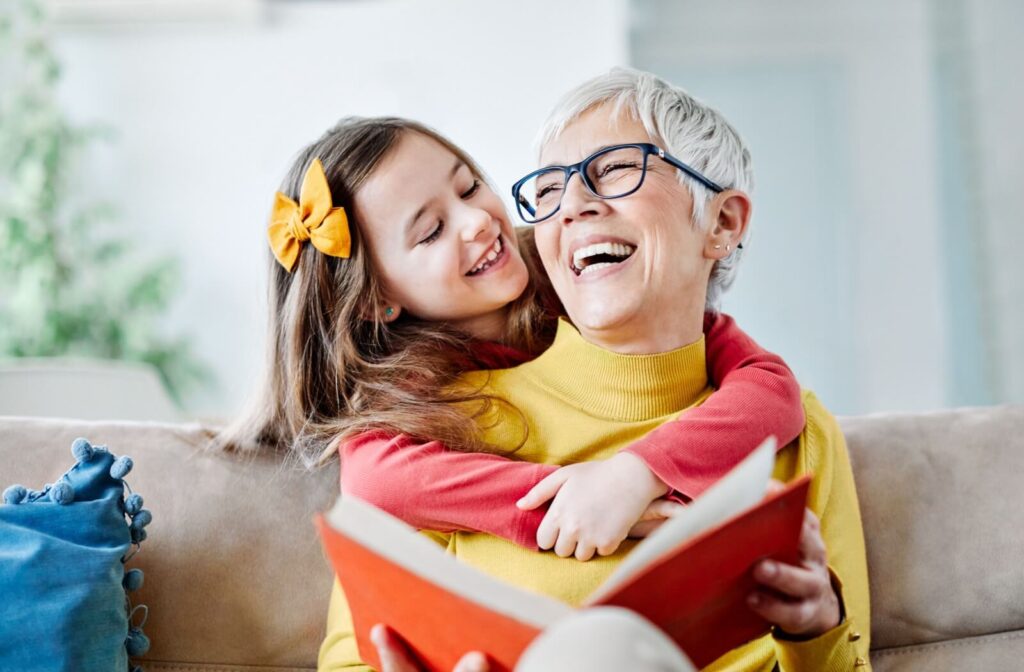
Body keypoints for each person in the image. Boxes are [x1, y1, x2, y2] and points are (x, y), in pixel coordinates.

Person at [319, 68, 872, 671]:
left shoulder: (798, 433)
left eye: (615, 169)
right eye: (551, 190)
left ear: (723, 223)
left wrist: (817, 628)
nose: (575, 206)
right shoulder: (440, 425)